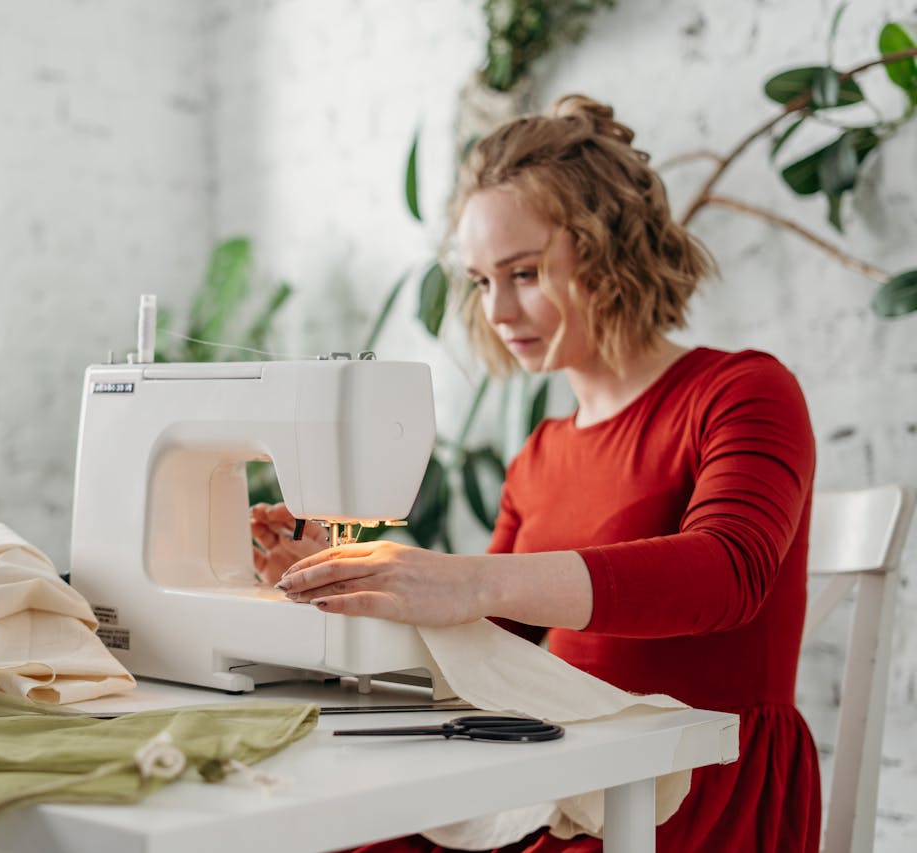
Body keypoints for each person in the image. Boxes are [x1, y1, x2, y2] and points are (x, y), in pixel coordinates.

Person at [248, 94, 820, 853]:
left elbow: (728, 571)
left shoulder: (741, 391)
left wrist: (473, 579)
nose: (499, 310)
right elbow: (489, 640)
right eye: (483, 282)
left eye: (523, 272)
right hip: (574, 766)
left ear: (611, 251)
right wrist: (340, 587)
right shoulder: (542, 452)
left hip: (695, 781)